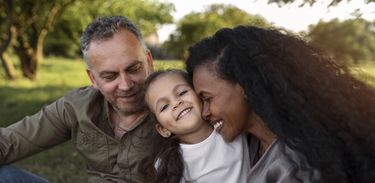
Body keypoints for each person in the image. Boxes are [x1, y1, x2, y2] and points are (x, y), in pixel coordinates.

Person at [186, 25, 375, 183]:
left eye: (207, 98)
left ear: (245, 84)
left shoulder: (299, 168)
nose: (204, 112)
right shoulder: (249, 142)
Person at [0, 16, 156, 182]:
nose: (125, 85)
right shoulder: (77, 107)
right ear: (93, 79)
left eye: (134, 69)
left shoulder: (177, 102)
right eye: (110, 76)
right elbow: (10, 141)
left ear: (149, 62)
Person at [142, 69, 250, 183]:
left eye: (182, 93)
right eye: (164, 107)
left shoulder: (230, 123)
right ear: (163, 129)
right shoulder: (167, 165)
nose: (176, 103)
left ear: (200, 93)